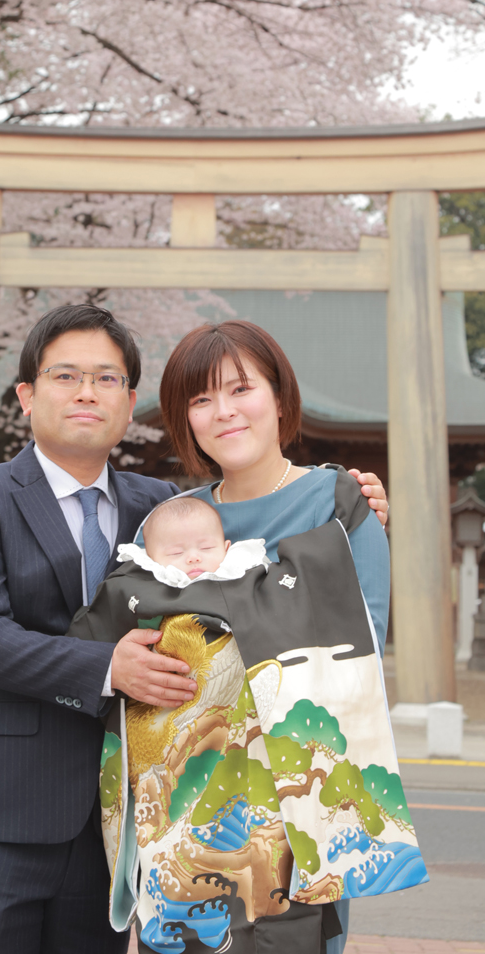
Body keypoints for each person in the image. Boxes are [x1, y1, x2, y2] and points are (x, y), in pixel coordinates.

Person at [0, 304, 390, 954]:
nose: (87, 393)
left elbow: (349, 645)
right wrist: (111, 668)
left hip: (221, 817)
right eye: (66, 376)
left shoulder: (171, 506)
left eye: (106, 379)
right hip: (20, 815)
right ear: (26, 395)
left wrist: (355, 505)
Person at [68, 492, 424, 953]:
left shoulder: (253, 574)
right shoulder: (132, 586)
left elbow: (315, 582)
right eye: (176, 553)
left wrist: (349, 514)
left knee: (277, 893)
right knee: (177, 899)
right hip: (170, 781)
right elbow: (87, 648)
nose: (192, 559)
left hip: (262, 773)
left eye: (205, 548)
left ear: (228, 543)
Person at [156, 318, 394, 954]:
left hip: (296, 806)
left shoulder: (338, 502)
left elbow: (358, 656)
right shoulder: (174, 523)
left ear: (281, 398)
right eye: (201, 400)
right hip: (187, 807)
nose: (224, 412)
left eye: (240, 389)